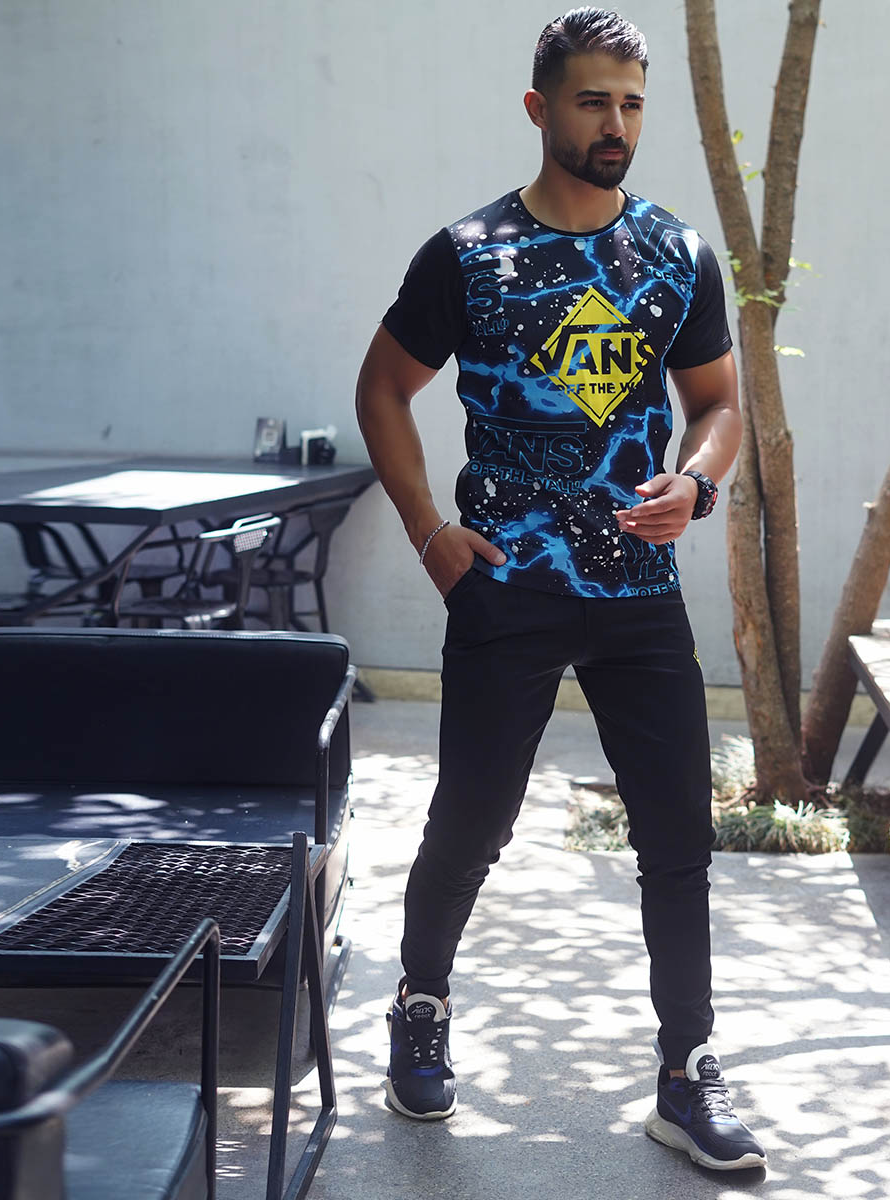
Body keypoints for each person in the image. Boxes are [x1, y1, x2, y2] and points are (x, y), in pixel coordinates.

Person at [355, 7, 766, 1172]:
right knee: (472, 820)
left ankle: (686, 1073)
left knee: (678, 833)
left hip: (639, 589)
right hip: (510, 586)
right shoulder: (467, 255)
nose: (615, 124)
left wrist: (698, 482)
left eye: (631, 103)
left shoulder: (676, 254)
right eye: (593, 102)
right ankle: (421, 1005)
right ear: (541, 109)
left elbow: (719, 406)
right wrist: (430, 532)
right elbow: (383, 389)